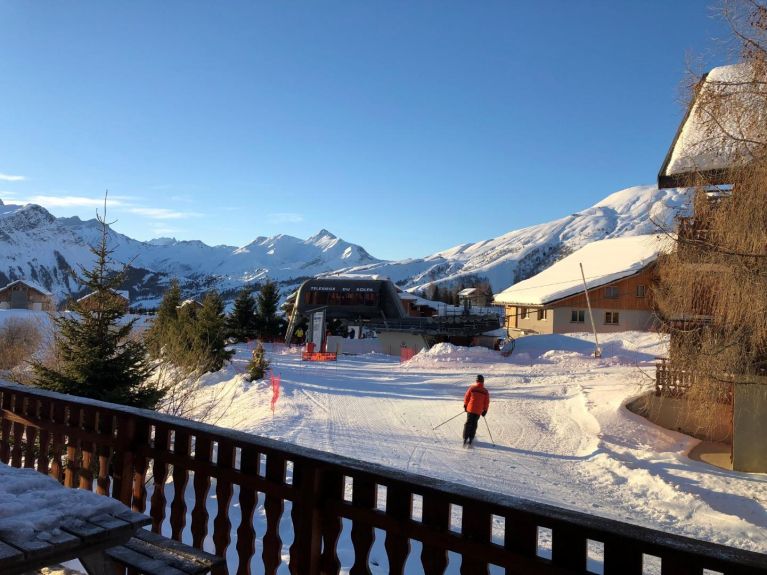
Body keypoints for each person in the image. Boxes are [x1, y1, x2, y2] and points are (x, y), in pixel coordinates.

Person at [463, 374, 489, 446]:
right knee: (474, 423)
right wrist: (485, 410)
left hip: (470, 409)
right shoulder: (485, 391)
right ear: (483, 381)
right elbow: (486, 402)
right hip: (478, 411)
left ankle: (465, 437)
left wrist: (465, 405)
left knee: (468, 423)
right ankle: (471, 438)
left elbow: (467, 397)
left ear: (476, 381)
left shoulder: (472, 388)